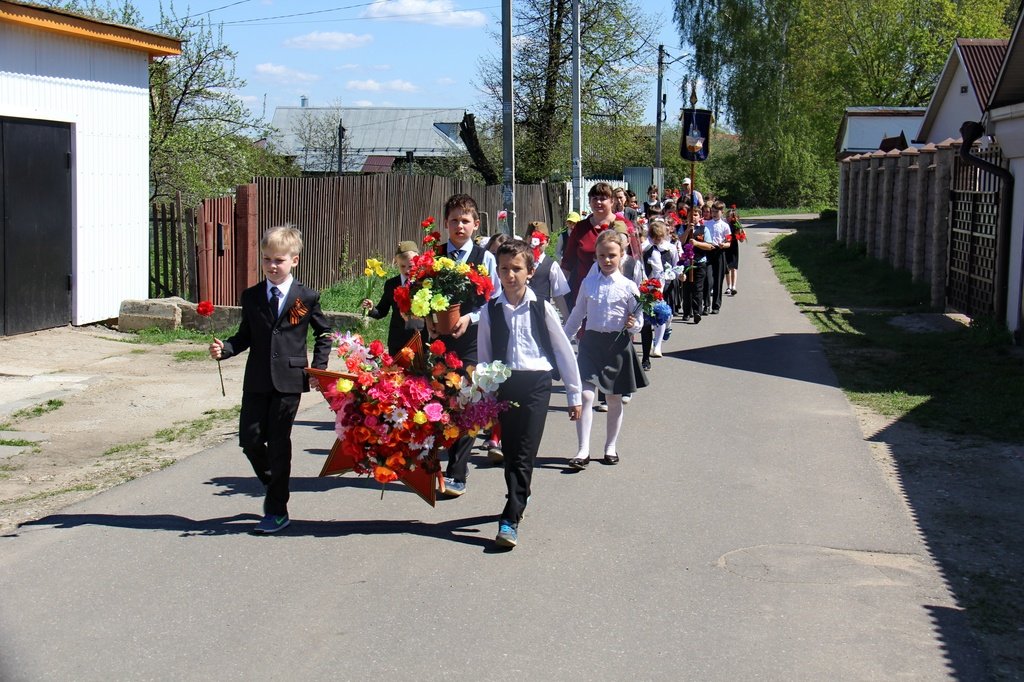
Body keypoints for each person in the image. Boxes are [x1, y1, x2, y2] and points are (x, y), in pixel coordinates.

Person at [209, 225, 333, 534]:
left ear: (294, 260)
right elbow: (244, 336)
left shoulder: (305, 297)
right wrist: (225, 349)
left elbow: (325, 334)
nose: (272, 266)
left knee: (278, 444)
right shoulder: (252, 296)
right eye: (267, 259)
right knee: (250, 440)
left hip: (289, 380)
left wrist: (319, 368)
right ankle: (275, 485)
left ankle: (277, 509)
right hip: (257, 379)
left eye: (279, 260)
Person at [478, 240, 583, 548]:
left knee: (525, 450)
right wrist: (485, 396)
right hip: (506, 383)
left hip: (537, 382)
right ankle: (520, 493)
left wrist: (574, 394)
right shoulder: (490, 310)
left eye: (516, 269)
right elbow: (485, 355)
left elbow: (563, 351)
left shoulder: (541, 307)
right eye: (504, 269)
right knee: (511, 452)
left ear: (530, 271)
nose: (509, 275)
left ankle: (510, 518)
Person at [563, 229, 648, 469]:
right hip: (591, 344)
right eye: (602, 256)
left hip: (616, 346)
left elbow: (639, 320)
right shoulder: (588, 283)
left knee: (613, 398)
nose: (607, 260)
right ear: (596, 257)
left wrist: (633, 324)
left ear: (622, 255)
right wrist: (562, 342)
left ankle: (610, 447)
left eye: (612, 255)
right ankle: (583, 450)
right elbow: (577, 315)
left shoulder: (629, 286)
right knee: (585, 395)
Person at [433, 193, 500, 498]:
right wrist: (428, 319)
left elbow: (493, 301)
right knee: (443, 401)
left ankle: (457, 472)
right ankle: (439, 464)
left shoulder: (485, 258)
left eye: (465, 220)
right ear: (446, 223)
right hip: (440, 341)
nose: (459, 226)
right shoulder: (435, 256)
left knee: (467, 400)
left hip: (472, 339)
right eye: (453, 220)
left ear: (475, 224)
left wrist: (470, 318)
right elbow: (419, 293)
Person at [360, 241, 424, 356]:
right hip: (397, 342)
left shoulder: (425, 283)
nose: (407, 270)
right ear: (397, 263)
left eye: (410, 266)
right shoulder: (391, 284)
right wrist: (371, 309)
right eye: (402, 266)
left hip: (420, 340)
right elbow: (382, 311)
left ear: (417, 263)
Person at [561, 182, 616, 311]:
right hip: (584, 292)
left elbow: (633, 262)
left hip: (614, 293)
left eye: (603, 198)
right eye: (594, 198)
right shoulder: (580, 228)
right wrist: (559, 291)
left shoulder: (622, 226)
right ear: (590, 202)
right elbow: (568, 261)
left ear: (612, 201)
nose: (598, 202)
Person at [524, 220, 571, 317]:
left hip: (540, 315)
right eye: (533, 241)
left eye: (540, 242)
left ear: (547, 242)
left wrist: (567, 319)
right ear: (527, 239)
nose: (536, 246)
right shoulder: (519, 261)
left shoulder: (552, 265)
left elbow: (558, 295)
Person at [705, 201, 731, 314]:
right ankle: (706, 305)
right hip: (708, 251)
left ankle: (716, 305)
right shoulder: (706, 224)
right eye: (713, 211)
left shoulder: (725, 226)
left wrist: (723, 245)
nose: (714, 214)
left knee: (718, 280)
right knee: (708, 279)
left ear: (722, 212)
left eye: (717, 212)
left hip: (719, 252)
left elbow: (729, 242)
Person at [725, 207, 741, 295]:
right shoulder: (724, 225)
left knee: (734, 267)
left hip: (734, 247)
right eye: (727, 216)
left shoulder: (737, 226)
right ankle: (729, 286)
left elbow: (741, 239)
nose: (728, 218)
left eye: (730, 216)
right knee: (727, 268)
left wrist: (740, 233)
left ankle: (734, 286)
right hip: (726, 247)